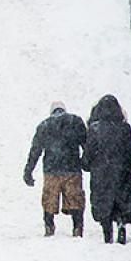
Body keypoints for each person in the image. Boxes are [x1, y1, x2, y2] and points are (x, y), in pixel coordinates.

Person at [24, 101, 87, 237]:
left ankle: (49, 226)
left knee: (49, 201)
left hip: (51, 170)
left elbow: (35, 150)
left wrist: (28, 171)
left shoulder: (44, 126)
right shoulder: (75, 122)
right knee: (75, 200)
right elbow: (86, 144)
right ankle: (77, 228)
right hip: (72, 169)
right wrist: (87, 162)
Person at [82, 95, 131, 244]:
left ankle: (107, 232)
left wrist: (86, 163)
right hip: (121, 169)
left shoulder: (95, 128)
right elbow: (129, 150)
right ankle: (121, 222)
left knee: (103, 201)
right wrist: (130, 167)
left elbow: (89, 150)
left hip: (101, 171)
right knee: (121, 198)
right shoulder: (125, 128)